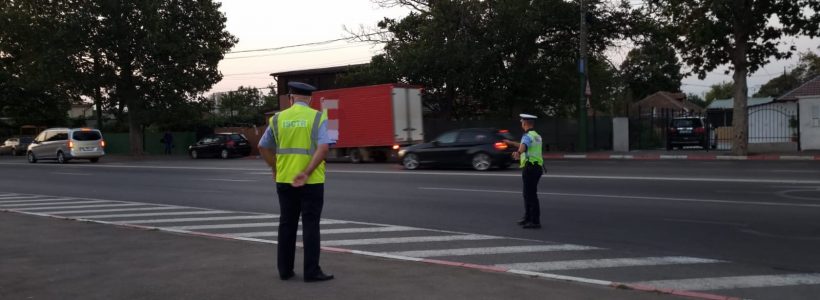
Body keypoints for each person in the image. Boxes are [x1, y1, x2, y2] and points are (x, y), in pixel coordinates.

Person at [257, 81, 334, 282]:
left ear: (291, 98)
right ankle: (311, 271)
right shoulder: (317, 117)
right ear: (310, 99)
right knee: (310, 225)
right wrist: (307, 172)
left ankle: (285, 271)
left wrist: (274, 168)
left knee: (287, 224)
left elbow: (262, 147)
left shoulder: (277, 119)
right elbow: (323, 148)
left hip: (284, 180)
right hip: (312, 181)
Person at [503, 114, 544, 229]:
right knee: (528, 194)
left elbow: (524, 146)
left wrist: (518, 153)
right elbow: (524, 144)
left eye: (522, 122)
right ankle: (527, 217)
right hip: (537, 168)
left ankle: (535, 221)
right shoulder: (536, 135)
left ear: (525, 123)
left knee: (530, 195)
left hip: (530, 168)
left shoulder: (527, 136)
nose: (521, 123)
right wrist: (511, 143)